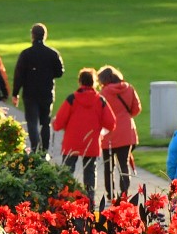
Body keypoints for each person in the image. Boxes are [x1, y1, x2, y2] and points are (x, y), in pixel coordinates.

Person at [52, 68, 116, 199]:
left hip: (72, 141)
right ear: (94, 82)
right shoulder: (100, 100)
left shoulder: (72, 99)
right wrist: (101, 131)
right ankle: (90, 201)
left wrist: (58, 125)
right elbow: (111, 123)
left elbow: (58, 123)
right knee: (90, 174)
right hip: (91, 142)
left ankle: (65, 199)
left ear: (80, 82)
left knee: (67, 173)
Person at [11, 23, 65, 153]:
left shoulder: (26, 54)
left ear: (32, 36)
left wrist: (15, 93)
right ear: (45, 35)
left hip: (30, 93)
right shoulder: (52, 54)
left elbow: (19, 75)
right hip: (46, 91)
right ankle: (44, 149)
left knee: (32, 121)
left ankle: (35, 147)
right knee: (45, 122)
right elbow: (59, 72)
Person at [98, 66, 141, 201]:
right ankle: (124, 193)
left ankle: (110, 194)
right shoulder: (129, 88)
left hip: (108, 133)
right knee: (124, 164)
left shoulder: (104, 93)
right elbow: (136, 109)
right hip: (127, 132)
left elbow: (100, 113)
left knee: (108, 166)